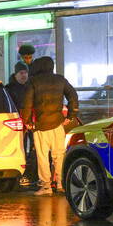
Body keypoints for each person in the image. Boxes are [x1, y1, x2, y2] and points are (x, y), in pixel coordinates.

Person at [22, 56, 79, 195]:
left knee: (42, 156)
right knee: (59, 155)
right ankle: (60, 183)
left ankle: (46, 186)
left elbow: (27, 104)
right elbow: (73, 96)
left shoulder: (33, 81)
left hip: (40, 126)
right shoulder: (60, 79)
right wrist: (70, 116)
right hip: (57, 124)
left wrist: (27, 122)